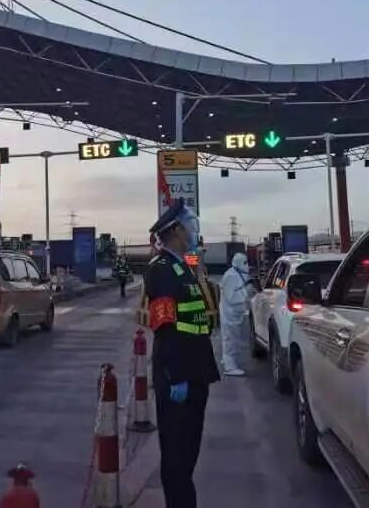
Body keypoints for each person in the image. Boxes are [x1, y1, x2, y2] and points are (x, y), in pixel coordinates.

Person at [145, 198, 220, 508]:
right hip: (178, 377)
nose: (193, 228)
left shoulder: (184, 267)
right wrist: (175, 376)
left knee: (188, 454)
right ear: (176, 230)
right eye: (189, 223)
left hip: (197, 372)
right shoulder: (161, 270)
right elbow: (164, 326)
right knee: (176, 459)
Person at [220, 252, 256, 376]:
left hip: (234, 314)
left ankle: (228, 361)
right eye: (245, 263)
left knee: (232, 339)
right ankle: (230, 367)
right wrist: (247, 291)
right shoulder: (231, 276)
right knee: (231, 340)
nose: (247, 265)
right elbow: (232, 297)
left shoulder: (238, 274)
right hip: (230, 314)